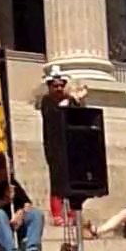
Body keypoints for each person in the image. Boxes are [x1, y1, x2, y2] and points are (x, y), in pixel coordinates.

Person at [39, 65, 86, 226]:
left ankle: (73, 213)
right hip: (54, 147)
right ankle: (57, 214)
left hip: (71, 146)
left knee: (72, 181)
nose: (59, 88)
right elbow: (55, 114)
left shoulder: (70, 100)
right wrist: (69, 99)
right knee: (57, 181)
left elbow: (79, 116)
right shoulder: (47, 101)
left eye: (61, 85)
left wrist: (77, 100)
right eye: (55, 86)